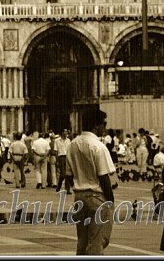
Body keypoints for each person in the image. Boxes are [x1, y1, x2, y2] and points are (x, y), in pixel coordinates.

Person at [65, 108, 116, 256]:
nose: (105, 128)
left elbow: (68, 175)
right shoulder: (98, 146)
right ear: (96, 125)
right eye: (104, 124)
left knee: (82, 241)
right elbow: (104, 177)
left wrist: (78, 185)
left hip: (79, 198)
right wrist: (110, 200)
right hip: (97, 198)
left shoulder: (72, 145)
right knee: (97, 241)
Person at [55, 128, 72, 193]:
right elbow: (56, 151)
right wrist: (57, 160)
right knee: (62, 174)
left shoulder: (68, 140)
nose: (66, 133)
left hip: (67, 156)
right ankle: (59, 185)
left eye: (67, 132)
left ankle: (67, 189)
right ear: (62, 133)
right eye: (65, 132)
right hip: (61, 157)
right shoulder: (57, 141)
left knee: (68, 173)